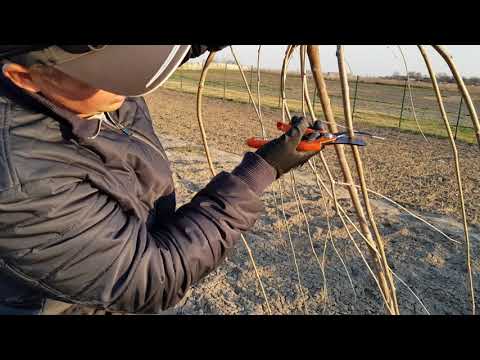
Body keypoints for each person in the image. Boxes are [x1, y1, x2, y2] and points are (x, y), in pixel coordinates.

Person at [0, 45, 320, 315]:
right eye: (108, 73)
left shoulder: (74, 87)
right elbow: (151, 277)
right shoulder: (24, 183)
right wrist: (259, 171)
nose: (128, 86)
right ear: (24, 77)